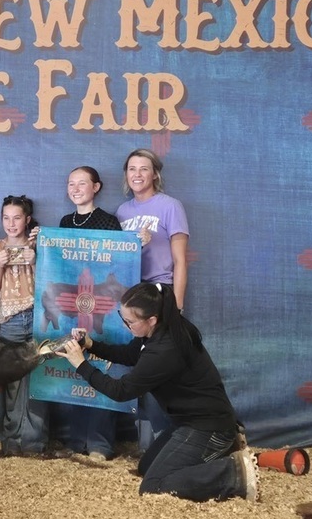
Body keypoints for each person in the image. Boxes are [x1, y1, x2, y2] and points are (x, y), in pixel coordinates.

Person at [57, 282, 259, 502]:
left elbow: (121, 391)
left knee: (154, 485)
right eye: (122, 318)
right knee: (147, 466)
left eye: (130, 322)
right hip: (192, 422)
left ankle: (233, 473)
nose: (126, 326)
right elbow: (128, 355)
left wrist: (81, 365)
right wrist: (90, 344)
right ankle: (222, 452)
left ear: (151, 320)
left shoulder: (164, 349)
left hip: (208, 426)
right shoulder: (162, 329)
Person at [115, 148, 189, 452]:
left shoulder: (170, 206)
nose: (137, 174)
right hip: (133, 296)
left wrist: (177, 304)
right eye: (132, 169)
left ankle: (167, 442)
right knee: (138, 368)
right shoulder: (122, 212)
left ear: (155, 173)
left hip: (160, 292)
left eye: (143, 169)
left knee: (161, 367)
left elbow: (181, 261)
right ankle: (146, 445)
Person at [55, 166, 122, 460]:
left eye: (82, 183)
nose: (76, 188)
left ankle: (100, 443)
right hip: (72, 306)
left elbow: (117, 262)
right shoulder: (64, 221)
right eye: (71, 183)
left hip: (101, 307)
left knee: (100, 367)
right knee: (74, 371)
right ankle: (75, 441)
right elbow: (60, 263)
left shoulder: (108, 221)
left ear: (96, 187)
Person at [0, 195, 47, 456]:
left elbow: (54, 281)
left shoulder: (41, 244)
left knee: (38, 380)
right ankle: (12, 439)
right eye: (6, 218)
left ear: (27, 219)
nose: (11, 223)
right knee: (12, 380)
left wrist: (36, 259)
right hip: (9, 319)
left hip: (37, 316)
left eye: (17, 218)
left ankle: (34, 440)